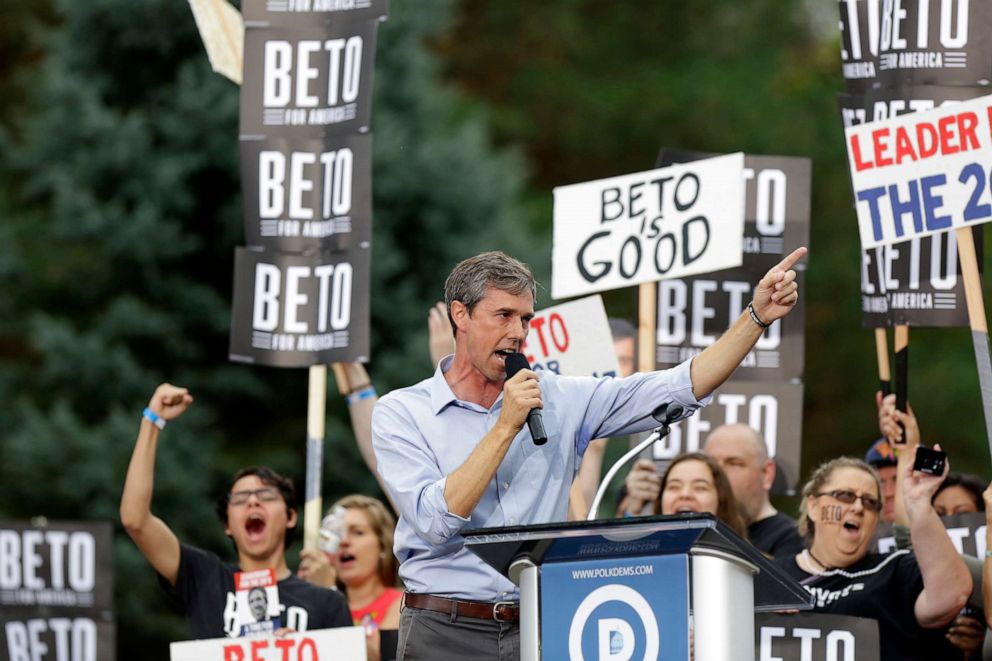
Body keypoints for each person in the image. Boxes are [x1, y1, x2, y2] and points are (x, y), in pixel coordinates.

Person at [371, 247, 805, 659]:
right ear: (460, 315)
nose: (518, 332)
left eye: (525, 318)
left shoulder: (561, 398)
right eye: (503, 315)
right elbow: (433, 521)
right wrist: (506, 427)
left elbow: (679, 385)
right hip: (444, 630)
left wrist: (756, 317)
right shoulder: (401, 413)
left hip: (541, 626)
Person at [120, 383, 351, 639]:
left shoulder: (327, 602)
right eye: (240, 499)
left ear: (290, 516)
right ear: (227, 524)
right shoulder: (205, 578)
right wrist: (152, 421)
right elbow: (135, 520)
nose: (252, 502)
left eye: (265, 496)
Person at [779, 454, 972, 661]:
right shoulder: (771, 577)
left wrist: (919, 504)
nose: (858, 507)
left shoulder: (895, 568)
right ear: (813, 507)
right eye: (845, 496)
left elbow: (952, 596)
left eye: (870, 502)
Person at [298, 494, 402, 661]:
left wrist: (328, 593)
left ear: (383, 545)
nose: (344, 541)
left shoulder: (404, 604)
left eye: (357, 532)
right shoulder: (312, 604)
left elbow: (375, 656)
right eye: (337, 533)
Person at [570, 317, 638, 519]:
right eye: (608, 361)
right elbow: (578, 520)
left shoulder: (647, 428)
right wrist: (594, 449)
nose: (614, 372)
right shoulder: (570, 423)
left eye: (624, 361)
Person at [702, 424, 803, 558]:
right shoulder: (696, 533)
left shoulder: (795, 540)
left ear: (767, 473)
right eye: (711, 464)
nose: (718, 474)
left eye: (734, 463)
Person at [655, 452, 747, 538]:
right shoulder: (642, 553)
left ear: (721, 500)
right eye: (674, 487)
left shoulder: (746, 555)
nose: (685, 494)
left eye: (700, 487)